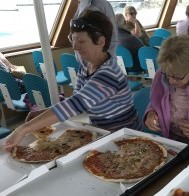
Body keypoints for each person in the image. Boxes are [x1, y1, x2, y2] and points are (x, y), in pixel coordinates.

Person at [3, 10, 142, 150]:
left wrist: (23, 129)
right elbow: (77, 99)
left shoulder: (109, 75)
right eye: (73, 40)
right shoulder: (87, 66)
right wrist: (43, 113)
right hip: (102, 133)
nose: (75, 47)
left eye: (81, 41)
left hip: (126, 140)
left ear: (100, 41)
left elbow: (74, 105)